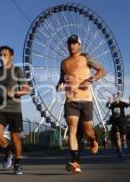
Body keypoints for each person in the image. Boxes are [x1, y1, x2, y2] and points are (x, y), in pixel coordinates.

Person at [56, 34, 106, 174]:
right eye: (69, 43)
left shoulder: (86, 58)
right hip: (71, 100)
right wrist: (59, 85)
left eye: (74, 43)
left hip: (86, 99)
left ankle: (93, 139)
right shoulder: (64, 62)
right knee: (72, 129)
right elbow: (62, 79)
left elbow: (102, 71)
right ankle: (76, 161)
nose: (71, 45)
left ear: (79, 45)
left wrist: (89, 80)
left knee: (88, 130)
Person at [0, 46, 30, 175]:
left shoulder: (17, 71)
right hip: (0, 108)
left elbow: (27, 89)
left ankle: (17, 164)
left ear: (11, 56)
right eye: (0, 55)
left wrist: (15, 92)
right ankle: (8, 151)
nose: (2, 57)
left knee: (15, 138)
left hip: (15, 110)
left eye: (5, 55)